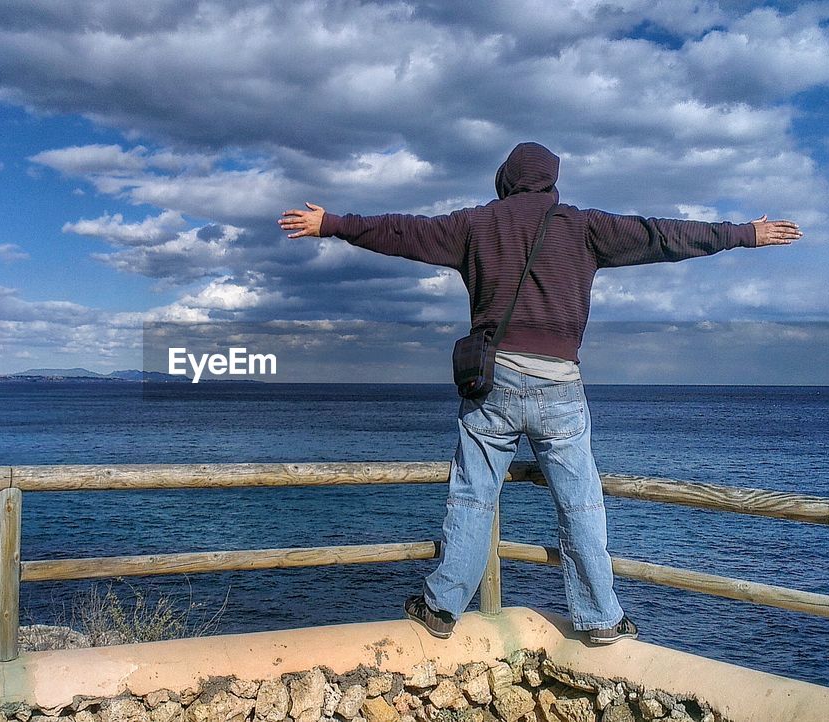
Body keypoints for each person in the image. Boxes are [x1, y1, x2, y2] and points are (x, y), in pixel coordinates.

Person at [278, 142, 800, 644]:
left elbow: (406, 231)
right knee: (580, 504)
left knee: (473, 495)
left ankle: (441, 607)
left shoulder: (475, 224)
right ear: (551, 179)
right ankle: (599, 618)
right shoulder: (583, 226)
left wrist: (333, 225)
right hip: (559, 385)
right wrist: (745, 234)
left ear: (506, 180)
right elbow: (661, 234)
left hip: (493, 382)